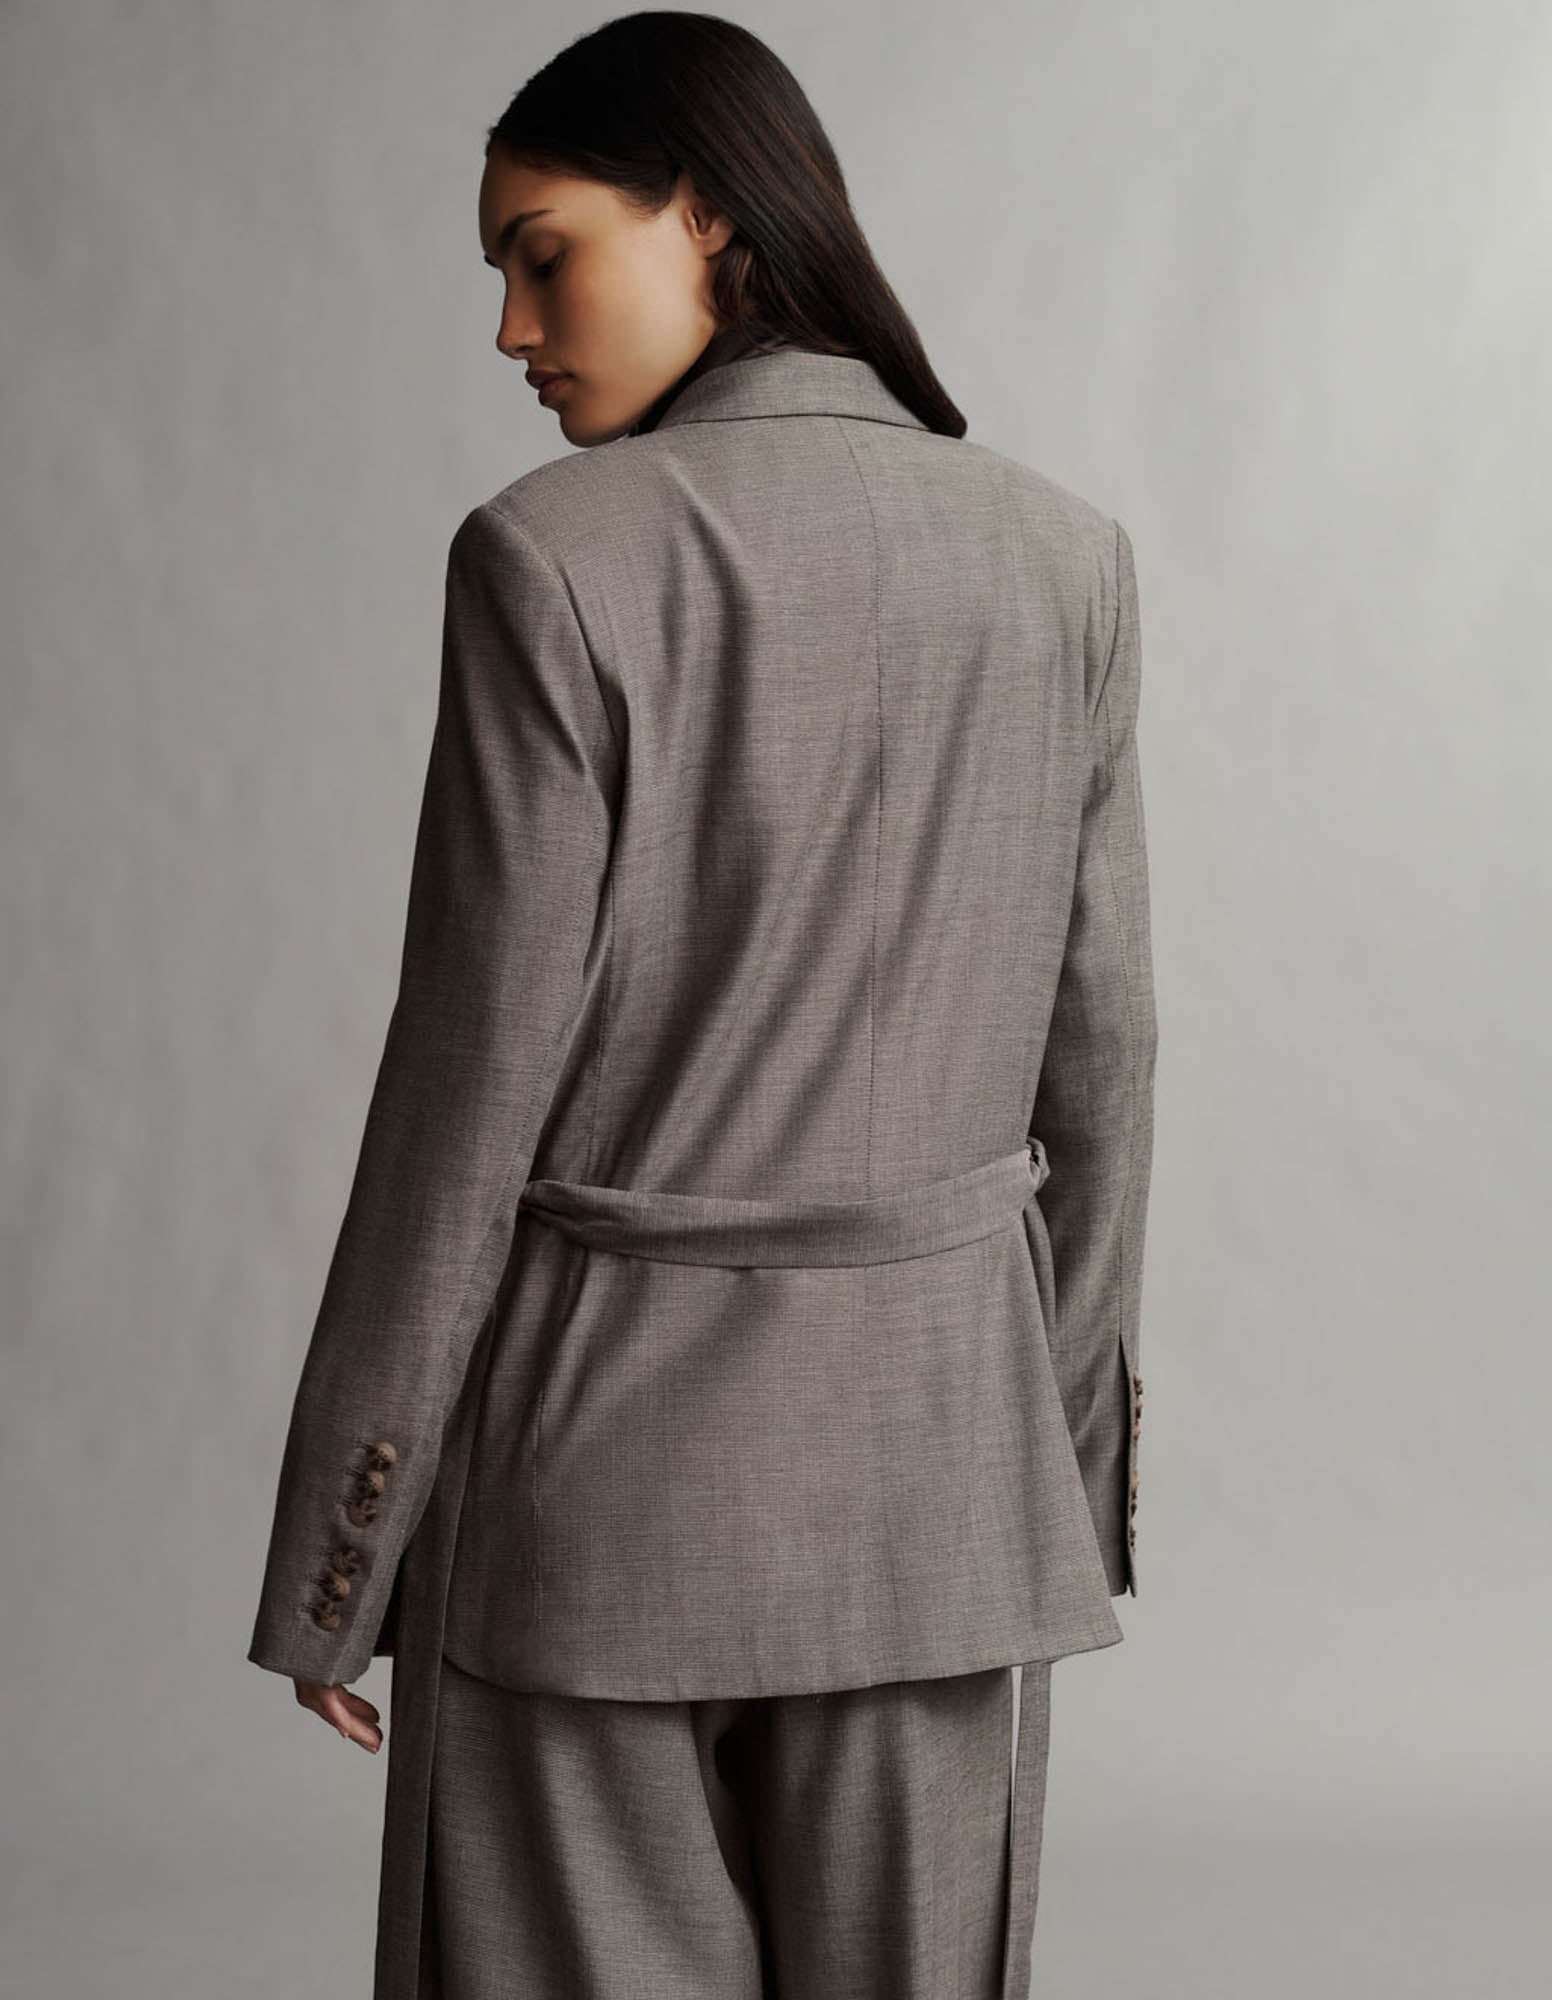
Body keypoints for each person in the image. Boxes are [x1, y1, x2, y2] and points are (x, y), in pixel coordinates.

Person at [245, 13, 1157, 1998]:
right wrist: (1053, 1490)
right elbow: (1099, 1083)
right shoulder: (1062, 561)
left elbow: (464, 1100)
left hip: (587, 1514)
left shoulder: (549, 561)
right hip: (944, 1510)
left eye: (542, 253)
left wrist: (340, 1553)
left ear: (711, 219)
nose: (511, 327)